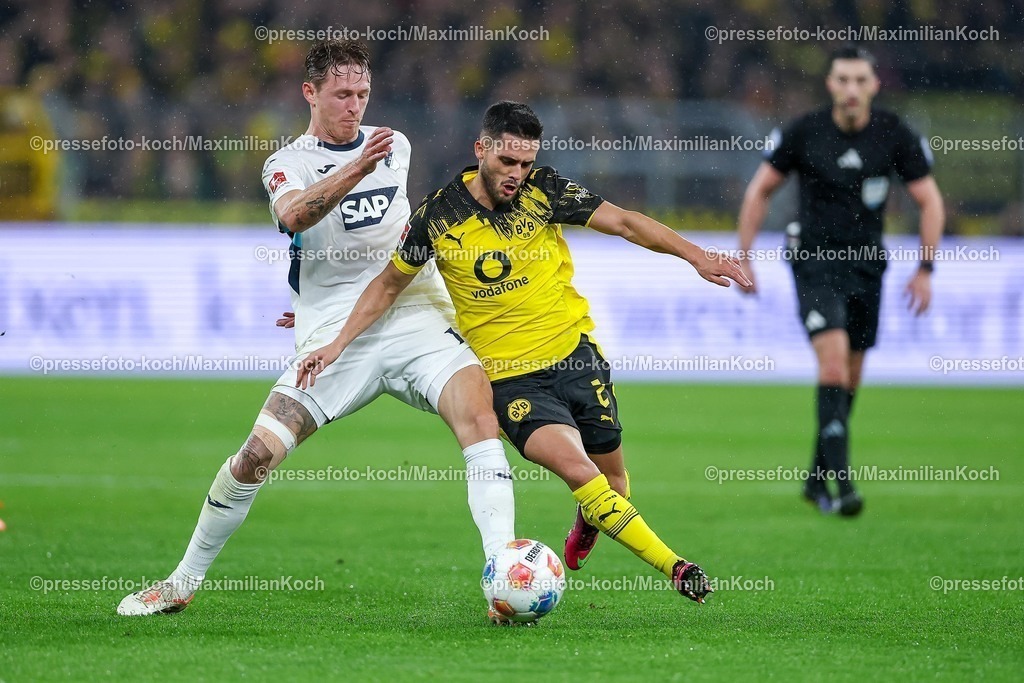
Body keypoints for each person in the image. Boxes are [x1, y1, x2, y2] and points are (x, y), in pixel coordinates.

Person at [296, 100, 752, 606]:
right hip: (513, 383)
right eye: (507, 162)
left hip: (576, 356)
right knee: (581, 472)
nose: (517, 174)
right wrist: (335, 341)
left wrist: (698, 256)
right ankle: (676, 566)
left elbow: (624, 222)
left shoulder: (545, 192)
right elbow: (387, 286)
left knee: (613, 484)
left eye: (525, 163)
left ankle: (591, 515)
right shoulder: (438, 216)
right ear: (481, 150)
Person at [117, 40, 516, 616]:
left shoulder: (394, 144)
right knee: (255, 457)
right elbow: (295, 216)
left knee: (482, 421)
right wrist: (355, 170)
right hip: (332, 336)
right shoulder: (287, 163)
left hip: (413, 315)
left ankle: (501, 579)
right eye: (341, 94)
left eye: (362, 93)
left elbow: (397, 231)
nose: (354, 105)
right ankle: (180, 583)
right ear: (310, 92)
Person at [735, 44, 944, 516]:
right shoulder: (805, 131)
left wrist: (926, 269)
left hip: (868, 265)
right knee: (831, 368)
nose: (851, 89)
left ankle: (815, 478)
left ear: (874, 85)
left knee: (849, 379)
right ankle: (843, 487)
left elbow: (930, 200)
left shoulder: (893, 133)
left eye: (860, 81)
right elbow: (760, 190)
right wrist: (744, 257)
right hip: (812, 261)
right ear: (831, 84)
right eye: (843, 80)